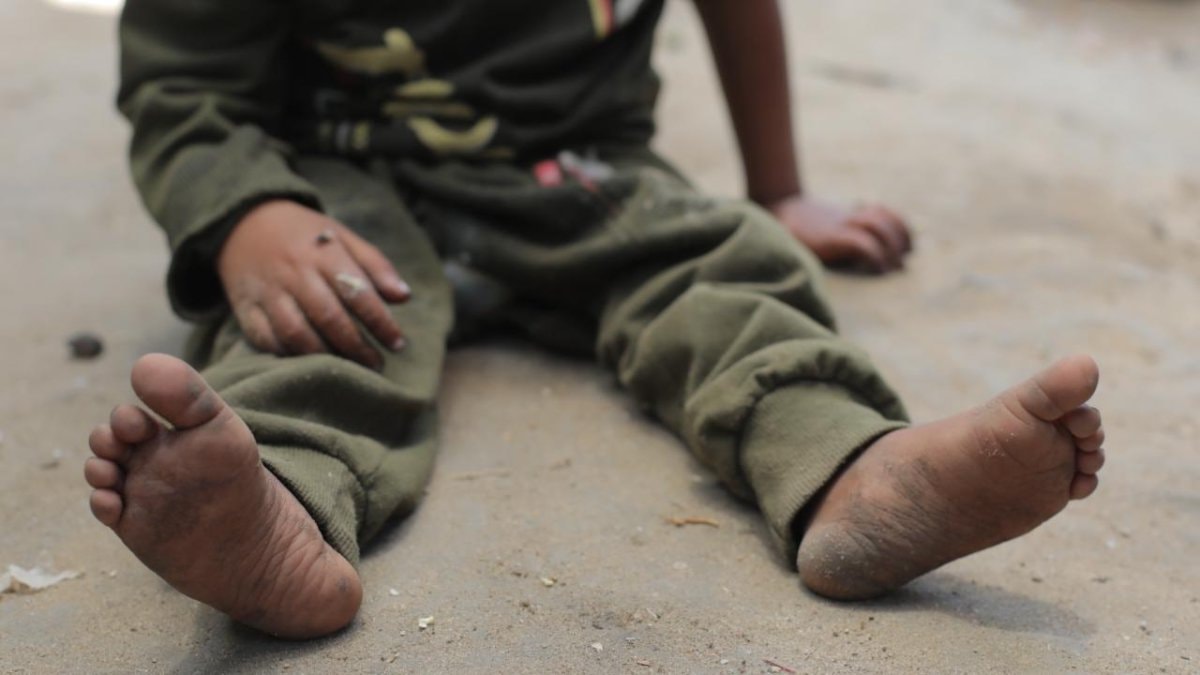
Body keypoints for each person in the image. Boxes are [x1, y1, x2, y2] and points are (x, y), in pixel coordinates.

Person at [83, 0, 1106, 638]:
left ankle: (848, 469)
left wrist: (779, 191)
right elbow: (181, 82)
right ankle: (278, 506)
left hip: (575, 164)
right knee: (308, 320)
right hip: (333, 175)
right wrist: (246, 215)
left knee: (717, 263)